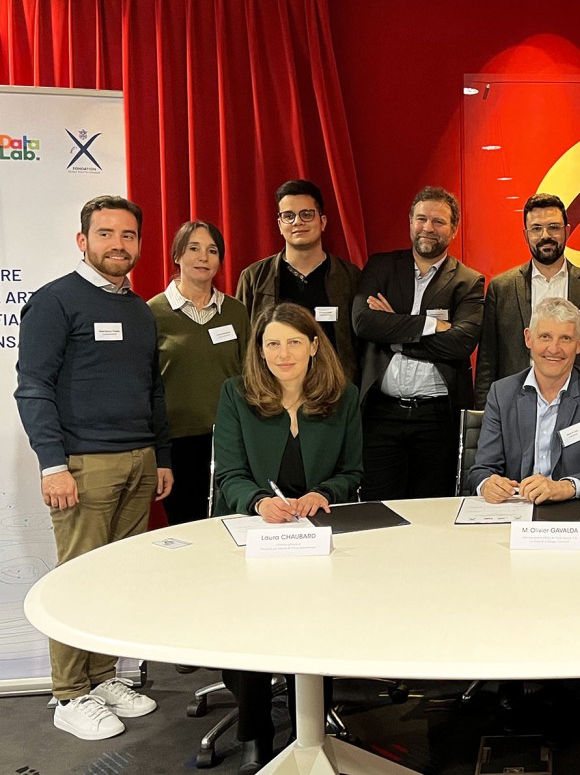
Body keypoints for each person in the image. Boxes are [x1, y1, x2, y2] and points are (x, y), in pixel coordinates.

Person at [15, 195, 170, 740]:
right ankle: (68, 695)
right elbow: (32, 385)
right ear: (83, 240)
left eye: (128, 236)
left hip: (139, 460)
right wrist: (52, 465)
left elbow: (152, 389)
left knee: (115, 578)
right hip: (83, 465)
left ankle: (103, 678)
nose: (117, 245)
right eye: (105, 234)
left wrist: (162, 456)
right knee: (76, 580)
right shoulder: (55, 302)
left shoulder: (139, 309)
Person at [211, 302, 362, 773]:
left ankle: (311, 724)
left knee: (319, 617)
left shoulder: (344, 396)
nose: (283, 352)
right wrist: (258, 501)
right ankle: (254, 730)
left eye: (294, 341)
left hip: (316, 531)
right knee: (249, 622)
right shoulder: (236, 395)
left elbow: (352, 472)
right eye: (272, 343)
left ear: (315, 346)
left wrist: (324, 493)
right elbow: (229, 474)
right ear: (259, 350)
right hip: (256, 528)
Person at [352, 186, 484, 500]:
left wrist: (395, 334)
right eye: (421, 219)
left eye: (438, 222)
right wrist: (430, 325)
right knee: (378, 510)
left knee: (432, 513)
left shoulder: (469, 281)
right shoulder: (380, 267)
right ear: (410, 222)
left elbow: (460, 344)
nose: (428, 227)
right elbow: (363, 322)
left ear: (453, 229)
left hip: (437, 418)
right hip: (380, 414)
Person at [471, 297, 580, 503]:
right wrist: (487, 484)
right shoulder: (501, 393)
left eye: (565, 339)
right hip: (514, 509)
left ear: (579, 344)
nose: (554, 349)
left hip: (573, 509)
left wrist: (565, 487)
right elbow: (481, 470)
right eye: (545, 336)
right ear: (528, 338)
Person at [148, 220, 249, 525]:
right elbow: (147, 383)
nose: (203, 257)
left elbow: (249, 373)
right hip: (177, 444)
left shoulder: (236, 311)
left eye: (212, 250)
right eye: (194, 248)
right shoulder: (152, 312)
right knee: (188, 529)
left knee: (233, 526)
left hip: (231, 440)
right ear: (177, 255)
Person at [474, 193, 580, 408]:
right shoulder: (501, 289)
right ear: (526, 235)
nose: (545, 235)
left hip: (579, 405)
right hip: (515, 406)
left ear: (567, 231)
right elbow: (487, 362)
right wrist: (484, 414)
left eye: (554, 227)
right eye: (536, 228)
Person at [236, 178, 360, 380]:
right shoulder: (254, 278)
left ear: (323, 222)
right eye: (288, 216)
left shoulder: (349, 277)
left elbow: (359, 346)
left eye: (307, 214)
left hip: (334, 393)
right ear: (279, 224)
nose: (297, 222)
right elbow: (243, 343)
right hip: (272, 395)